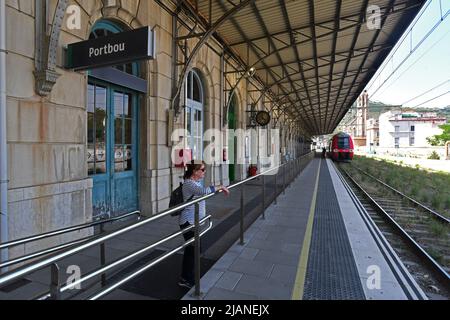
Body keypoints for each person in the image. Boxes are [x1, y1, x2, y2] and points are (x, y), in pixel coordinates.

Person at [178, 160, 230, 289]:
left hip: (194, 222)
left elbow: (204, 191)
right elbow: (203, 191)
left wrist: (216, 188)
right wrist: (220, 186)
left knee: (194, 250)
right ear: (194, 171)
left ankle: (188, 276)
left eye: (204, 169)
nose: (204, 172)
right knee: (192, 250)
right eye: (202, 169)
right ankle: (186, 278)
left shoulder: (196, 182)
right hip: (188, 222)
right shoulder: (189, 183)